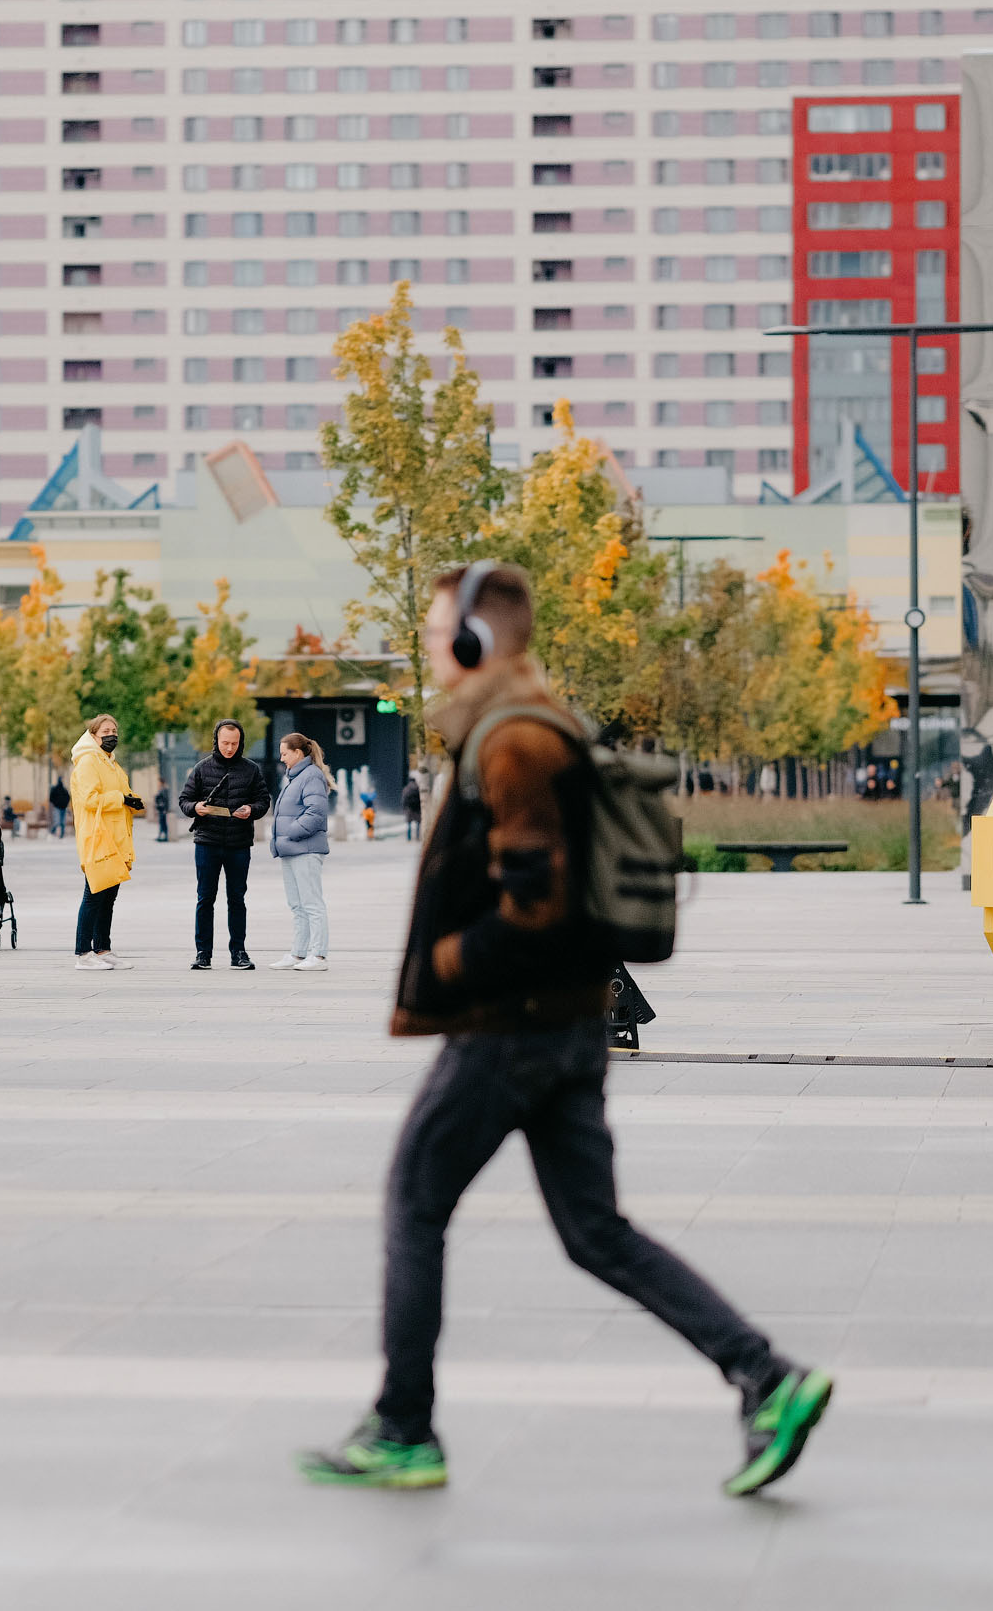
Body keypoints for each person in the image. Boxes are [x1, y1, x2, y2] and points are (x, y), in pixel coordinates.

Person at [298, 561, 830, 1496]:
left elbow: (536, 900)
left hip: (512, 1028)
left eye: (437, 636)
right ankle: (766, 1375)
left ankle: (404, 1427)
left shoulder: (513, 740)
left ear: (475, 642)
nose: (431, 650)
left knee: (415, 1201)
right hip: (565, 1023)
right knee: (595, 1231)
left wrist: (450, 962)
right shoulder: (536, 723)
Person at [179, 718, 271, 970]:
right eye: (225, 743)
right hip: (207, 842)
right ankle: (203, 953)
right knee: (205, 898)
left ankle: (238, 952)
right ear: (216, 741)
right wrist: (195, 807)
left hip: (239, 843)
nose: (229, 748)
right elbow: (185, 800)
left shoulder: (251, 770)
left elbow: (263, 801)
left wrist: (251, 809)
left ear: (241, 743)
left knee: (237, 899)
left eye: (234, 743)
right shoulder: (201, 768)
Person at [69, 713, 144, 969]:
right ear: (93, 736)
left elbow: (121, 793)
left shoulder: (111, 763)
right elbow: (89, 799)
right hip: (98, 838)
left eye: (114, 731)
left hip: (115, 839)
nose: (112, 735)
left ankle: (102, 949)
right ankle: (83, 953)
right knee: (94, 895)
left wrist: (132, 800)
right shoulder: (88, 762)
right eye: (105, 732)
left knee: (108, 898)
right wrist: (121, 799)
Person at [271, 732, 332, 972]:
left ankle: (318, 955)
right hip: (291, 849)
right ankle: (298, 952)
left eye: (284, 753)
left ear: (298, 753)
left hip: (305, 849)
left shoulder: (311, 776)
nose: (282, 758)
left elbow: (316, 812)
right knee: (297, 905)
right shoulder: (296, 777)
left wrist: (291, 832)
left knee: (311, 903)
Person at [401, 772, 423, 841]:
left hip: (409, 809)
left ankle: (409, 838)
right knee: (418, 824)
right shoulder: (418, 788)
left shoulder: (406, 789)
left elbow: (404, 799)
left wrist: (404, 808)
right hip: (417, 809)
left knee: (409, 824)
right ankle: (417, 837)